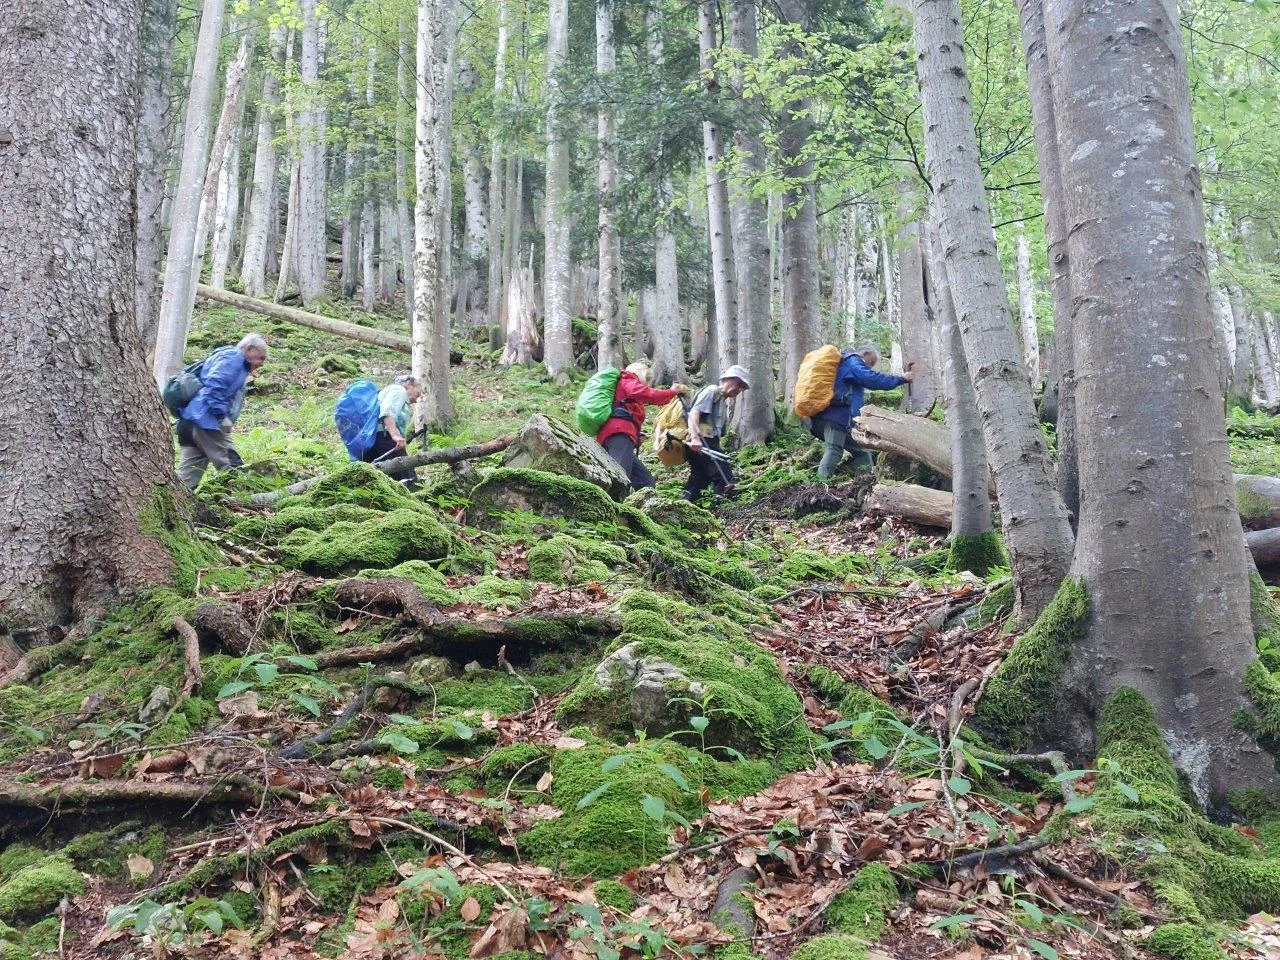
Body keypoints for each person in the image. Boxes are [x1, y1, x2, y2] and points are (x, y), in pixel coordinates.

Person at [176, 333, 268, 490]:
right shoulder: (233, 358)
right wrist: (220, 416)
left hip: (190, 420)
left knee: (187, 477)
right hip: (206, 422)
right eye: (261, 357)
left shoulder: (228, 358)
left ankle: (175, 505)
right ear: (249, 349)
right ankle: (243, 502)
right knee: (232, 465)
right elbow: (215, 385)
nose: (262, 363)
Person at [808, 345, 914, 480]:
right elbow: (871, 379)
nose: (870, 367)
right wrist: (901, 378)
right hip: (835, 417)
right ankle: (819, 484)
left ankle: (866, 484)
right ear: (864, 356)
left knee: (862, 451)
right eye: (871, 363)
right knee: (834, 449)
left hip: (841, 420)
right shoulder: (853, 361)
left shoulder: (846, 364)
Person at [596, 363, 684, 491]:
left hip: (618, 436)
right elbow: (648, 394)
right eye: (647, 378)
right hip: (619, 434)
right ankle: (612, 507)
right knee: (619, 477)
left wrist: (636, 435)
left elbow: (627, 412)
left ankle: (636, 504)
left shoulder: (623, 386)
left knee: (645, 481)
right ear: (641, 374)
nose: (646, 383)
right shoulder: (628, 379)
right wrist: (671, 392)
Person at [683, 365, 750, 502]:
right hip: (701, 440)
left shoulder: (721, 400)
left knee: (700, 476)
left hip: (706, 441)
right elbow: (694, 413)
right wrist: (695, 438)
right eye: (739, 384)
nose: (740, 390)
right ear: (729, 380)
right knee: (723, 474)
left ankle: (685, 503)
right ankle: (724, 506)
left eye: (742, 387)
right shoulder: (712, 391)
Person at [363, 375, 424, 486]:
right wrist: (395, 435)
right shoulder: (399, 390)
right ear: (409, 384)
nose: (416, 399)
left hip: (372, 440)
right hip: (384, 438)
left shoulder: (388, 391)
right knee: (407, 477)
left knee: (376, 481)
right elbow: (387, 412)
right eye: (418, 394)